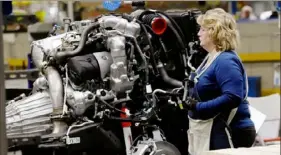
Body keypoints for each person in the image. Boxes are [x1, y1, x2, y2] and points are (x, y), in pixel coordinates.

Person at [184, 8, 256, 155]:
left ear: (214, 32)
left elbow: (233, 97)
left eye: (203, 29)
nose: (198, 34)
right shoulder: (212, 57)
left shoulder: (225, 60)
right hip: (216, 129)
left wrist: (199, 107)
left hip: (230, 130)